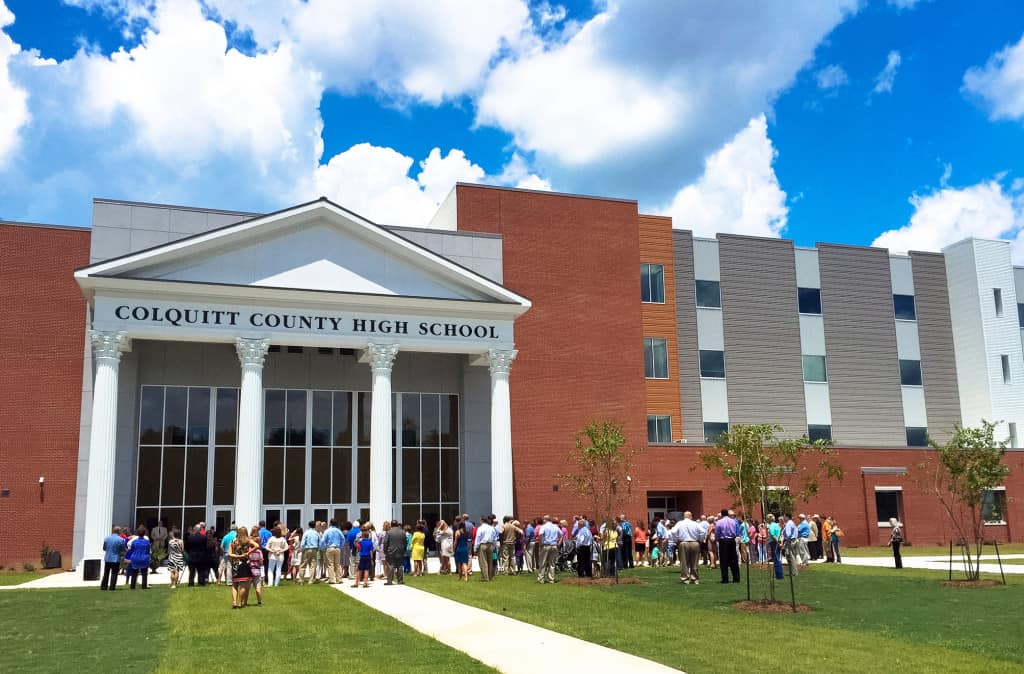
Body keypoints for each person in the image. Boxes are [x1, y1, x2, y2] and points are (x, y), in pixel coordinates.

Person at [674, 512, 703, 584]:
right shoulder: (695, 523)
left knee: (684, 562)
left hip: (683, 543)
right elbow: (703, 531)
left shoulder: (680, 523)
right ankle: (695, 578)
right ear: (691, 516)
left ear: (684, 516)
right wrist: (700, 539)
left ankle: (685, 579)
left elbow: (673, 532)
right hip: (694, 543)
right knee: (695, 562)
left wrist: (676, 540)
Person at [228, 526, 253, 609]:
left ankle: (234, 601)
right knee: (243, 585)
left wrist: (237, 556)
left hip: (235, 564)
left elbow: (229, 554)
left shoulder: (234, 541)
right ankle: (240, 602)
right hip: (244, 564)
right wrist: (247, 553)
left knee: (234, 584)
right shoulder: (248, 541)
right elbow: (257, 545)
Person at [713, 509, 740, 583]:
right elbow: (735, 531)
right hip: (732, 540)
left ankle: (725, 579)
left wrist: (717, 539)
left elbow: (717, 532)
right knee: (734, 560)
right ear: (727, 514)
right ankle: (736, 578)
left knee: (724, 560)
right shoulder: (733, 521)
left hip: (723, 541)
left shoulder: (719, 522)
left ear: (721, 514)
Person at [536, 515, 561, 584]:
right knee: (552, 563)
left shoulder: (543, 526)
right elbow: (561, 535)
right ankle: (551, 579)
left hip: (546, 545)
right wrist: (559, 542)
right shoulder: (556, 526)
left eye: (543, 519)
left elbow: (540, 534)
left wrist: (541, 542)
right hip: (554, 545)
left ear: (545, 520)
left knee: (543, 562)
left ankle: (541, 579)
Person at [101, 526, 126, 591]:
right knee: (114, 573)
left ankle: (104, 587)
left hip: (108, 558)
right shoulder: (120, 539)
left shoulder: (107, 538)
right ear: (118, 531)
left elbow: (104, 548)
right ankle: (112, 587)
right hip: (115, 558)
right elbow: (123, 549)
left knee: (106, 573)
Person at [127, 525, 151, 589]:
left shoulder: (134, 542)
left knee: (134, 573)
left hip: (135, 558)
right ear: (144, 533)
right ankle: (144, 586)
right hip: (144, 558)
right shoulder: (147, 542)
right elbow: (148, 550)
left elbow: (132, 550)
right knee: (144, 573)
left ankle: (132, 586)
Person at [473, 515, 495, 582]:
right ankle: (490, 576)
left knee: (483, 561)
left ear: (482, 520)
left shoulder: (480, 528)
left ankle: (485, 577)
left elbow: (478, 538)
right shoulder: (491, 528)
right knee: (490, 561)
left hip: (483, 544)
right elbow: (494, 537)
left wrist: (475, 548)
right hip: (490, 545)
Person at [321, 519, 343, 584]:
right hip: (337, 548)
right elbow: (343, 539)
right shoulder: (338, 531)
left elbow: (323, 540)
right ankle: (339, 579)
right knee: (337, 564)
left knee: (330, 564)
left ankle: (332, 579)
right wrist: (340, 546)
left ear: (330, 523)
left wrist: (323, 547)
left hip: (330, 547)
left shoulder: (327, 531)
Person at [248, 525, 264, 606]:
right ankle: (259, 602)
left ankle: (245, 602)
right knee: (258, 587)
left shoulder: (248, 551)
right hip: (257, 570)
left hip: (249, 569)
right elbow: (261, 562)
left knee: (247, 587)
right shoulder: (259, 552)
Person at [452, 516, 470, 582]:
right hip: (465, 548)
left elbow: (455, 542)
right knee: (465, 563)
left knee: (459, 564)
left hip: (459, 549)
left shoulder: (457, 532)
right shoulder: (466, 531)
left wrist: (454, 549)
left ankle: (460, 577)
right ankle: (466, 577)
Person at [767, 514, 784, 580]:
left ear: (769, 519)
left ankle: (779, 575)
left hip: (774, 543)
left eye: (767, 518)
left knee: (776, 559)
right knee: (778, 558)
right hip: (778, 542)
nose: (766, 520)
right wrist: (781, 543)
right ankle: (779, 574)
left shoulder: (771, 526)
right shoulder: (777, 525)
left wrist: (778, 543)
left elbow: (773, 535)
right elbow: (781, 535)